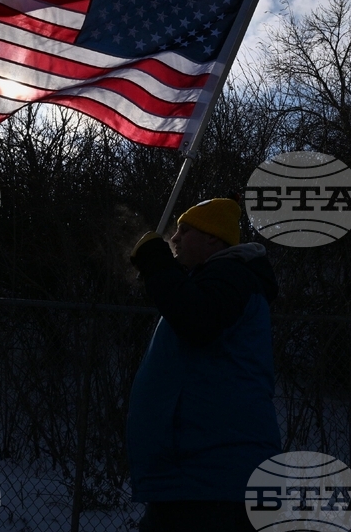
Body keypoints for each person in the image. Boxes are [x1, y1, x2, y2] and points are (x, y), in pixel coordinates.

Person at [127, 198, 281, 532]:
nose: (175, 238)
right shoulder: (215, 281)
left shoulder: (232, 275)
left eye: (186, 231)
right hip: (196, 474)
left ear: (213, 239)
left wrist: (158, 265)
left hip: (212, 474)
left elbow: (199, 321)